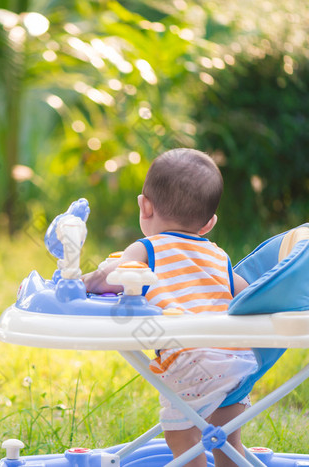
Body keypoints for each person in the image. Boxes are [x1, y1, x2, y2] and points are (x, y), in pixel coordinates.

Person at [82, 148, 257, 467]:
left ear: (144, 206)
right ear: (209, 224)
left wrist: (83, 283)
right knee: (227, 440)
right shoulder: (219, 257)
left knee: (182, 438)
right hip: (236, 361)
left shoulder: (147, 247)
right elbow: (247, 293)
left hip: (188, 360)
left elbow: (115, 277)